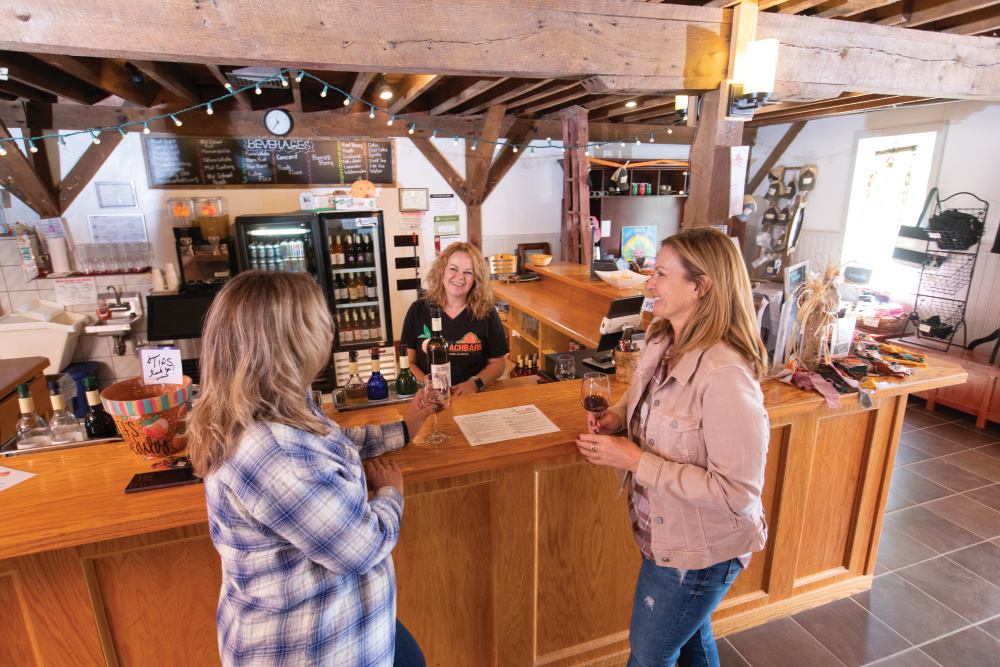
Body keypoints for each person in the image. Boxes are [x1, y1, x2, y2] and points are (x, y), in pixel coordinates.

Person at [187, 271, 436, 667]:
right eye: (319, 325)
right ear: (289, 345)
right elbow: (361, 547)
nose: (330, 334)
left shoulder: (272, 406)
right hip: (312, 645)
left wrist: (405, 429)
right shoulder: (272, 453)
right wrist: (391, 492)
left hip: (343, 615)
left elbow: (329, 443)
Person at [575, 228, 769, 667]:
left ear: (700, 286)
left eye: (661, 273)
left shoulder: (725, 374)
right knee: (692, 643)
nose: (649, 284)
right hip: (668, 534)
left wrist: (634, 460)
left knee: (650, 657)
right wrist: (618, 416)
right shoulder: (663, 339)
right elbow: (642, 396)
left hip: (701, 552)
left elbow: (738, 494)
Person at [400, 242, 508, 396]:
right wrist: (427, 385)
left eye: (468, 272)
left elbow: (498, 364)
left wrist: (474, 384)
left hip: (472, 396)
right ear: (441, 270)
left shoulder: (487, 313)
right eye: (453, 269)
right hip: (428, 396)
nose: (460, 277)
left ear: (476, 279)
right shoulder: (417, 310)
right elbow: (408, 362)